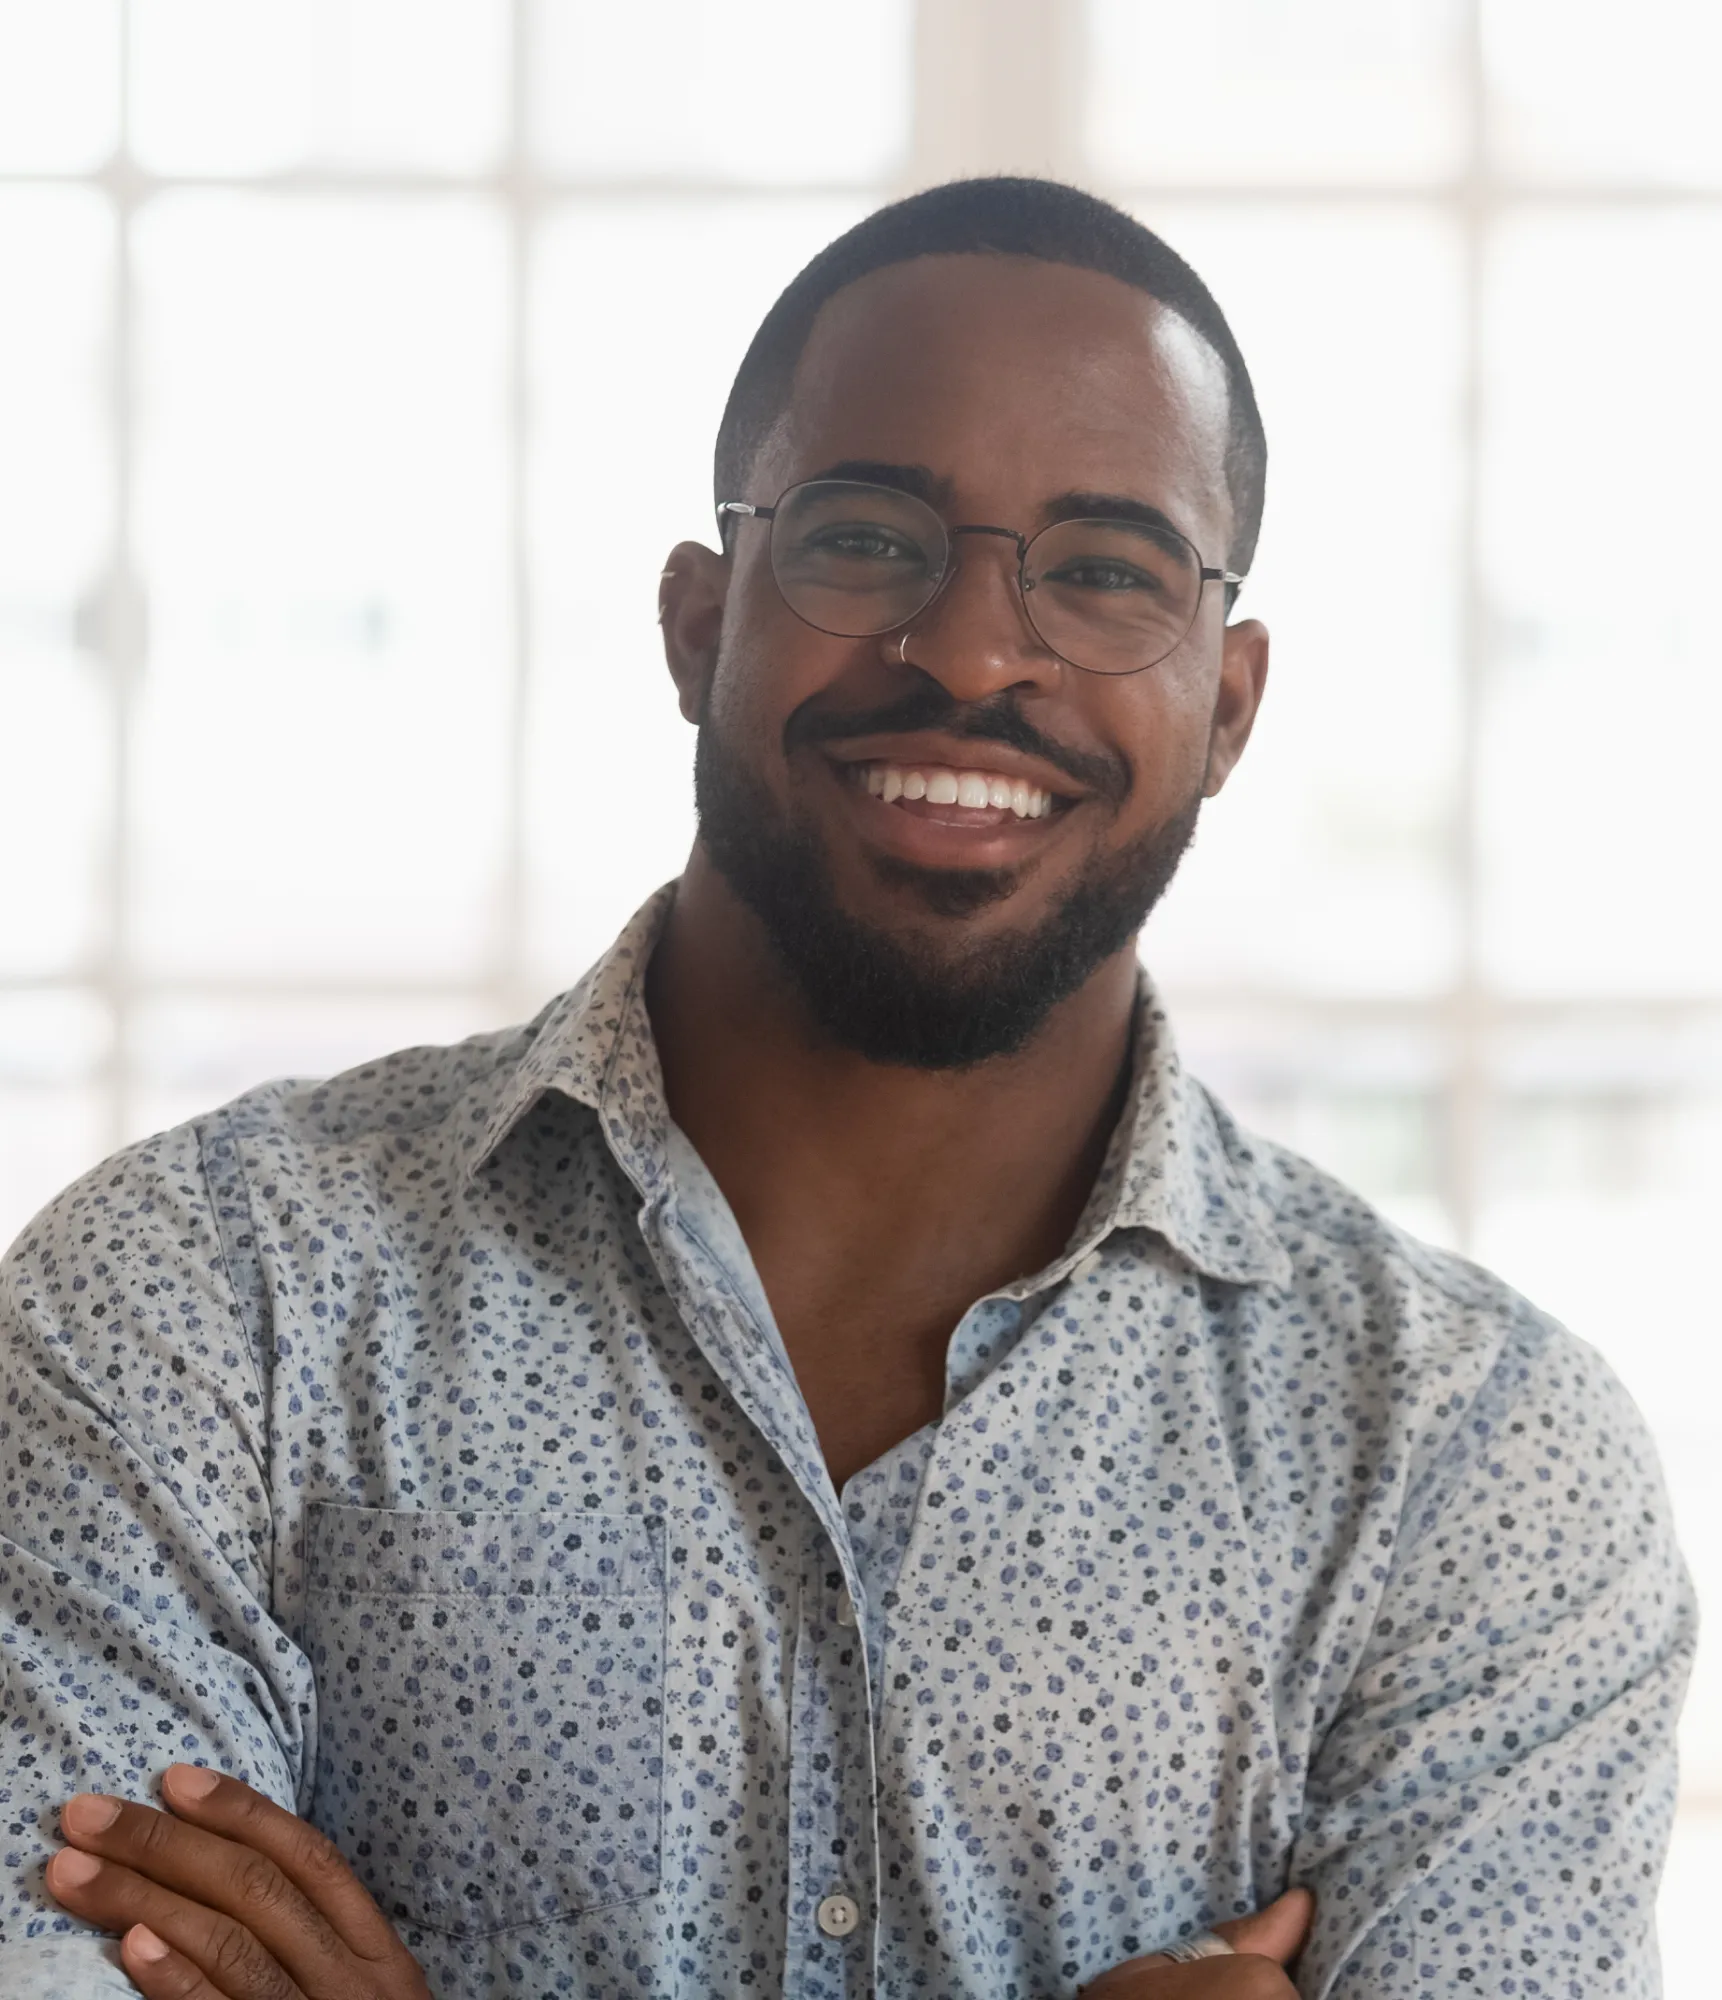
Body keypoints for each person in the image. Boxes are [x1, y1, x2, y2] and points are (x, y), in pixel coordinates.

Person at [0, 178, 1693, 2000]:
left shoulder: (1475, 1464)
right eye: (868, 539)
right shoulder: (200, 1301)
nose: (970, 655)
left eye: (1109, 568)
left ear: (1227, 704)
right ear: (693, 623)